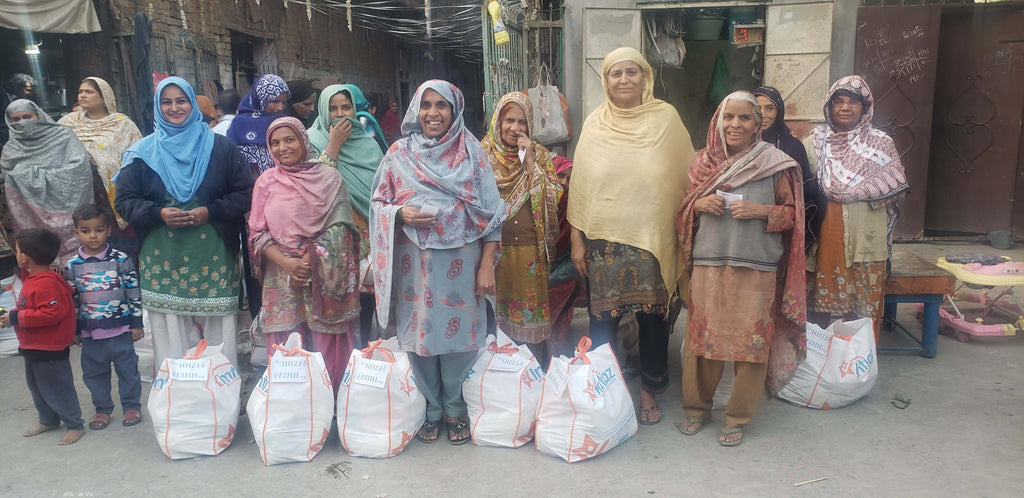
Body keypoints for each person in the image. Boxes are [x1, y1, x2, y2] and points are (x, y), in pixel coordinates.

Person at [369, 80, 505, 445]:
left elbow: (493, 214)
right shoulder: (398, 154)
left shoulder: (472, 151)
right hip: (414, 264)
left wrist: (487, 265)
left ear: (455, 110)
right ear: (415, 109)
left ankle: (455, 408)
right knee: (420, 337)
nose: (433, 113)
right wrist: (401, 213)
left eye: (441, 105)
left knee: (460, 338)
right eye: (426, 105)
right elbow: (378, 203)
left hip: (462, 259)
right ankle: (431, 409)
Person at [567, 47, 695, 425]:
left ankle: (648, 392)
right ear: (605, 81)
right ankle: (606, 390)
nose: (623, 80)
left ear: (645, 78)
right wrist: (576, 240)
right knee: (602, 321)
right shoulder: (595, 124)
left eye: (631, 72)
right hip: (603, 244)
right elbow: (581, 186)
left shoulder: (666, 120)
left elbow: (687, 177)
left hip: (653, 242)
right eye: (615, 74)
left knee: (654, 322)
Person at [676, 91, 806, 447]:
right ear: (718, 121)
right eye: (728, 118)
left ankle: (736, 418)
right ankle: (696, 410)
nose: (735, 125)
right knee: (703, 341)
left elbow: (794, 217)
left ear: (758, 124)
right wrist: (699, 203)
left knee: (751, 345)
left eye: (744, 118)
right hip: (709, 264)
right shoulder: (702, 163)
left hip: (756, 266)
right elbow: (682, 212)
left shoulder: (776, 163)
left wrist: (760, 211)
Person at [115, 77, 254, 368]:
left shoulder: (221, 147)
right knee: (170, 329)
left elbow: (246, 193)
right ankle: (176, 395)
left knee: (218, 329)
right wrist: (158, 214)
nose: (174, 107)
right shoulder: (141, 153)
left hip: (213, 251)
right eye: (166, 101)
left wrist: (210, 211)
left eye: (182, 100)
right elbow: (124, 202)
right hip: (163, 253)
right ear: (157, 106)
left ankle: (220, 393)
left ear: (193, 104)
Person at [249, 117, 360, 394]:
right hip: (281, 275)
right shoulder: (266, 182)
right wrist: (287, 262)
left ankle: (332, 402)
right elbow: (257, 233)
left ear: (303, 140)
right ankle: (296, 408)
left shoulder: (329, 178)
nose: (282, 147)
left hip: (322, 275)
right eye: (275, 142)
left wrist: (310, 260)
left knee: (327, 341)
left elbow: (342, 226)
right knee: (288, 343)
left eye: (289, 139)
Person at [806, 76, 908, 334]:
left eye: (853, 102)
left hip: (866, 238)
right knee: (817, 307)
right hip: (826, 233)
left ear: (865, 108)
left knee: (863, 310)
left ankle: (858, 365)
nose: (845, 107)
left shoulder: (880, 143)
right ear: (829, 107)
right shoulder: (816, 143)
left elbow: (893, 190)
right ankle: (819, 361)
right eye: (838, 101)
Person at [481, 92, 561, 362]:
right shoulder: (482, 154)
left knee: (530, 320)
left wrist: (529, 163)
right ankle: (500, 372)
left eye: (522, 122)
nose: (515, 128)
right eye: (509, 120)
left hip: (529, 252)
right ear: (497, 122)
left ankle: (533, 373)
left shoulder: (540, 154)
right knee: (495, 316)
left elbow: (554, 196)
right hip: (492, 254)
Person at [307, 84, 385, 344]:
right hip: (331, 230)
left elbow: (380, 189)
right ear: (323, 110)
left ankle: (365, 350)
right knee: (337, 290)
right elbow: (315, 185)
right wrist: (333, 145)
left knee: (366, 289)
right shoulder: (311, 139)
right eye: (332, 108)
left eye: (345, 107)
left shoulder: (368, 142)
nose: (340, 114)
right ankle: (338, 352)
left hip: (366, 229)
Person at [64, 204, 144, 430]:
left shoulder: (121, 259)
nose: (92, 236)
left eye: (98, 230)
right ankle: (102, 409)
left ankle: (131, 406)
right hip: (91, 334)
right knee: (94, 374)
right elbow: (74, 300)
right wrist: (77, 330)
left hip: (121, 330)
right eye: (86, 230)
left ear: (108, 230)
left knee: (128, 371)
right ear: (76, 232)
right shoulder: (72, 265)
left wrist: (136, 323)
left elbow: (133, 291)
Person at [0, 228, 83, 446]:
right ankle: (48, 419)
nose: (15, 254)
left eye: (17, 251)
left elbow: (52, 313)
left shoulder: (47, 282)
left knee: (57, 387)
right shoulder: (33, 278)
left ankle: (74, 424)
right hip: (33, 346)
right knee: (37, 386)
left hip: (50, 348)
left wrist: (17, 317)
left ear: (25, 257)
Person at [57, 77, 144, 254]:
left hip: (112, 196)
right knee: (85, 235)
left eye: (89, 92)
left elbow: (138, 157)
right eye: (80, 91)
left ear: (104, 98)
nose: (82, 95)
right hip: (77, 195)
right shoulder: (67, 123)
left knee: (118, 242)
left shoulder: (122, 124)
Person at [2, 99, 94, 264]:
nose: (22, 123)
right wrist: (26, 177)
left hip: (68, 209)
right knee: (38, 254)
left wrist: (32, 175)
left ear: (39, 116)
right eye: (16, 120)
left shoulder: (64, 137)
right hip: (30, 215)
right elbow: (7, 175)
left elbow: (79, 168)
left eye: (27, 116)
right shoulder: (11, 148)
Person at [753, 86, 826, 250]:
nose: (763, 114)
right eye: (757, 108)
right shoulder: (742, 145)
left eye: (769, 108)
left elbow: (802, 192)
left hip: (783, 227)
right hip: (746, 220)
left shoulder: (793, 147)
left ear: (779, 112)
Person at [546, 156, 585, 357]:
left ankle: (553, 355)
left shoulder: (575, 205)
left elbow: (575, 260)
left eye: (570, 179)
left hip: (564, 270)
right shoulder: (538, 203)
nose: (564, 183)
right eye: (560, 175)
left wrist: (547, 280)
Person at [227, 74, 290, 176]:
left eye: (283, 102)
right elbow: (231, 159)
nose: (280, 107)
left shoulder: (284, 122)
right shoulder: (240, 123)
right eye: (275, 102)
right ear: (260, 98)